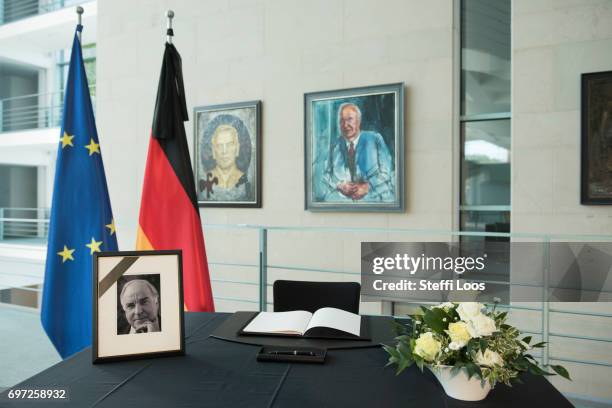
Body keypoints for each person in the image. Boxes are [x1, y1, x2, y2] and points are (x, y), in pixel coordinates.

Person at [321, 103, 395, 201]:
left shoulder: (375, 139)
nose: (345, 125)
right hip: (343, 204)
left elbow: (387, 172)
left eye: (349, 119)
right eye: (341, 121)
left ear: (358, 121)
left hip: (375, 200)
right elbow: (326, 175)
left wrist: (367, 187)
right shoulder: (335, 146)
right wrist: (339, 185)